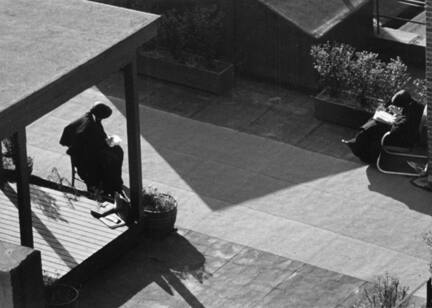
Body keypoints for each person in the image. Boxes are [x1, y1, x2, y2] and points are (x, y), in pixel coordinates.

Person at [342, 90, 425, 164]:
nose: (397, 107)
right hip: (399, 131)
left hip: (402, 138)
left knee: (375, 127)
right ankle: (357, 143)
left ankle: (359, 146)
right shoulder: (411, 103)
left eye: (398, 107)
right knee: (374, 122)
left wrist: (395, 117)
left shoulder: (413, 114)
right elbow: (390, 105)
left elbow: (399, 129)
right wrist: (390, 112)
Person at [60, 102, 124, 196]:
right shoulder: (90, 126)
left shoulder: (88, 118)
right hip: (85, 160)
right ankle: (111, 185)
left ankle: (114, 181)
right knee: (114, 157)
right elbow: (95, 145)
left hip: (86, 152)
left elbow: (68, 131)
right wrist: (106, 143)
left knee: (117, 151)